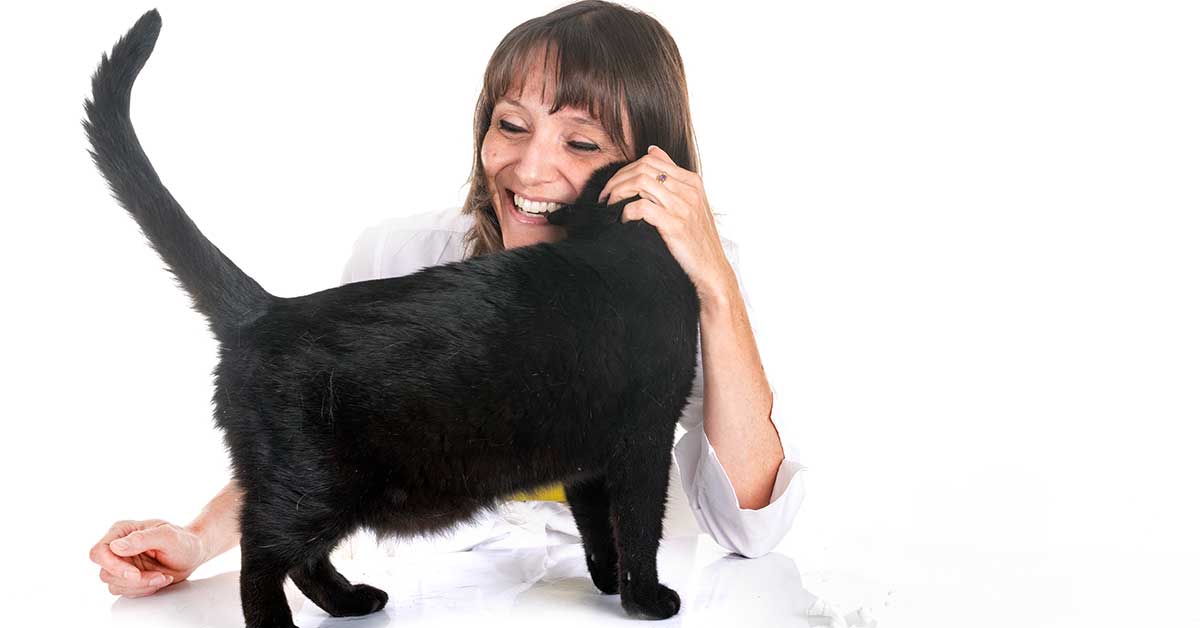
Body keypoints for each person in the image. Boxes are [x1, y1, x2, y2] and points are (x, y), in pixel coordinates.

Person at [90, 0, 805, 599]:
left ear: (648, 167)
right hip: (448, 594)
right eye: (511, 125)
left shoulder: (682, 285)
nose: (529, 167)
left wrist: (714, 283)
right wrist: (201, 538)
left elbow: (751, 525)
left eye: (581, 142)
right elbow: (314, 434)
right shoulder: (404, 256)